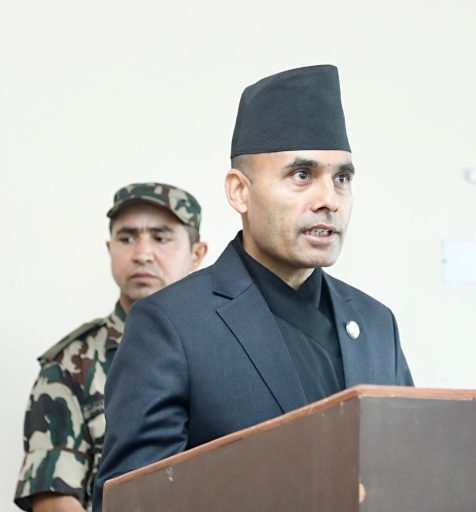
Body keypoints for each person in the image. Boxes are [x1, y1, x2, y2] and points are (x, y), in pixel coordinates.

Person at [93, 65, 413, 511]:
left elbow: (407, 473)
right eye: (301, 175)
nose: (329, 200)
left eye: (341, 178)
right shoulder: (171, 325)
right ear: (239, 192)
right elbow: (135, 502)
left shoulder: (375, 323)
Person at [15, 183, 208, 512]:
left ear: (197, 254)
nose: (142, 254)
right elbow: (54, 499)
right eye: (127, 238)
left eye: (161, 238)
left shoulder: (228, 347)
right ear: (110, 248)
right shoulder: (71, 364)